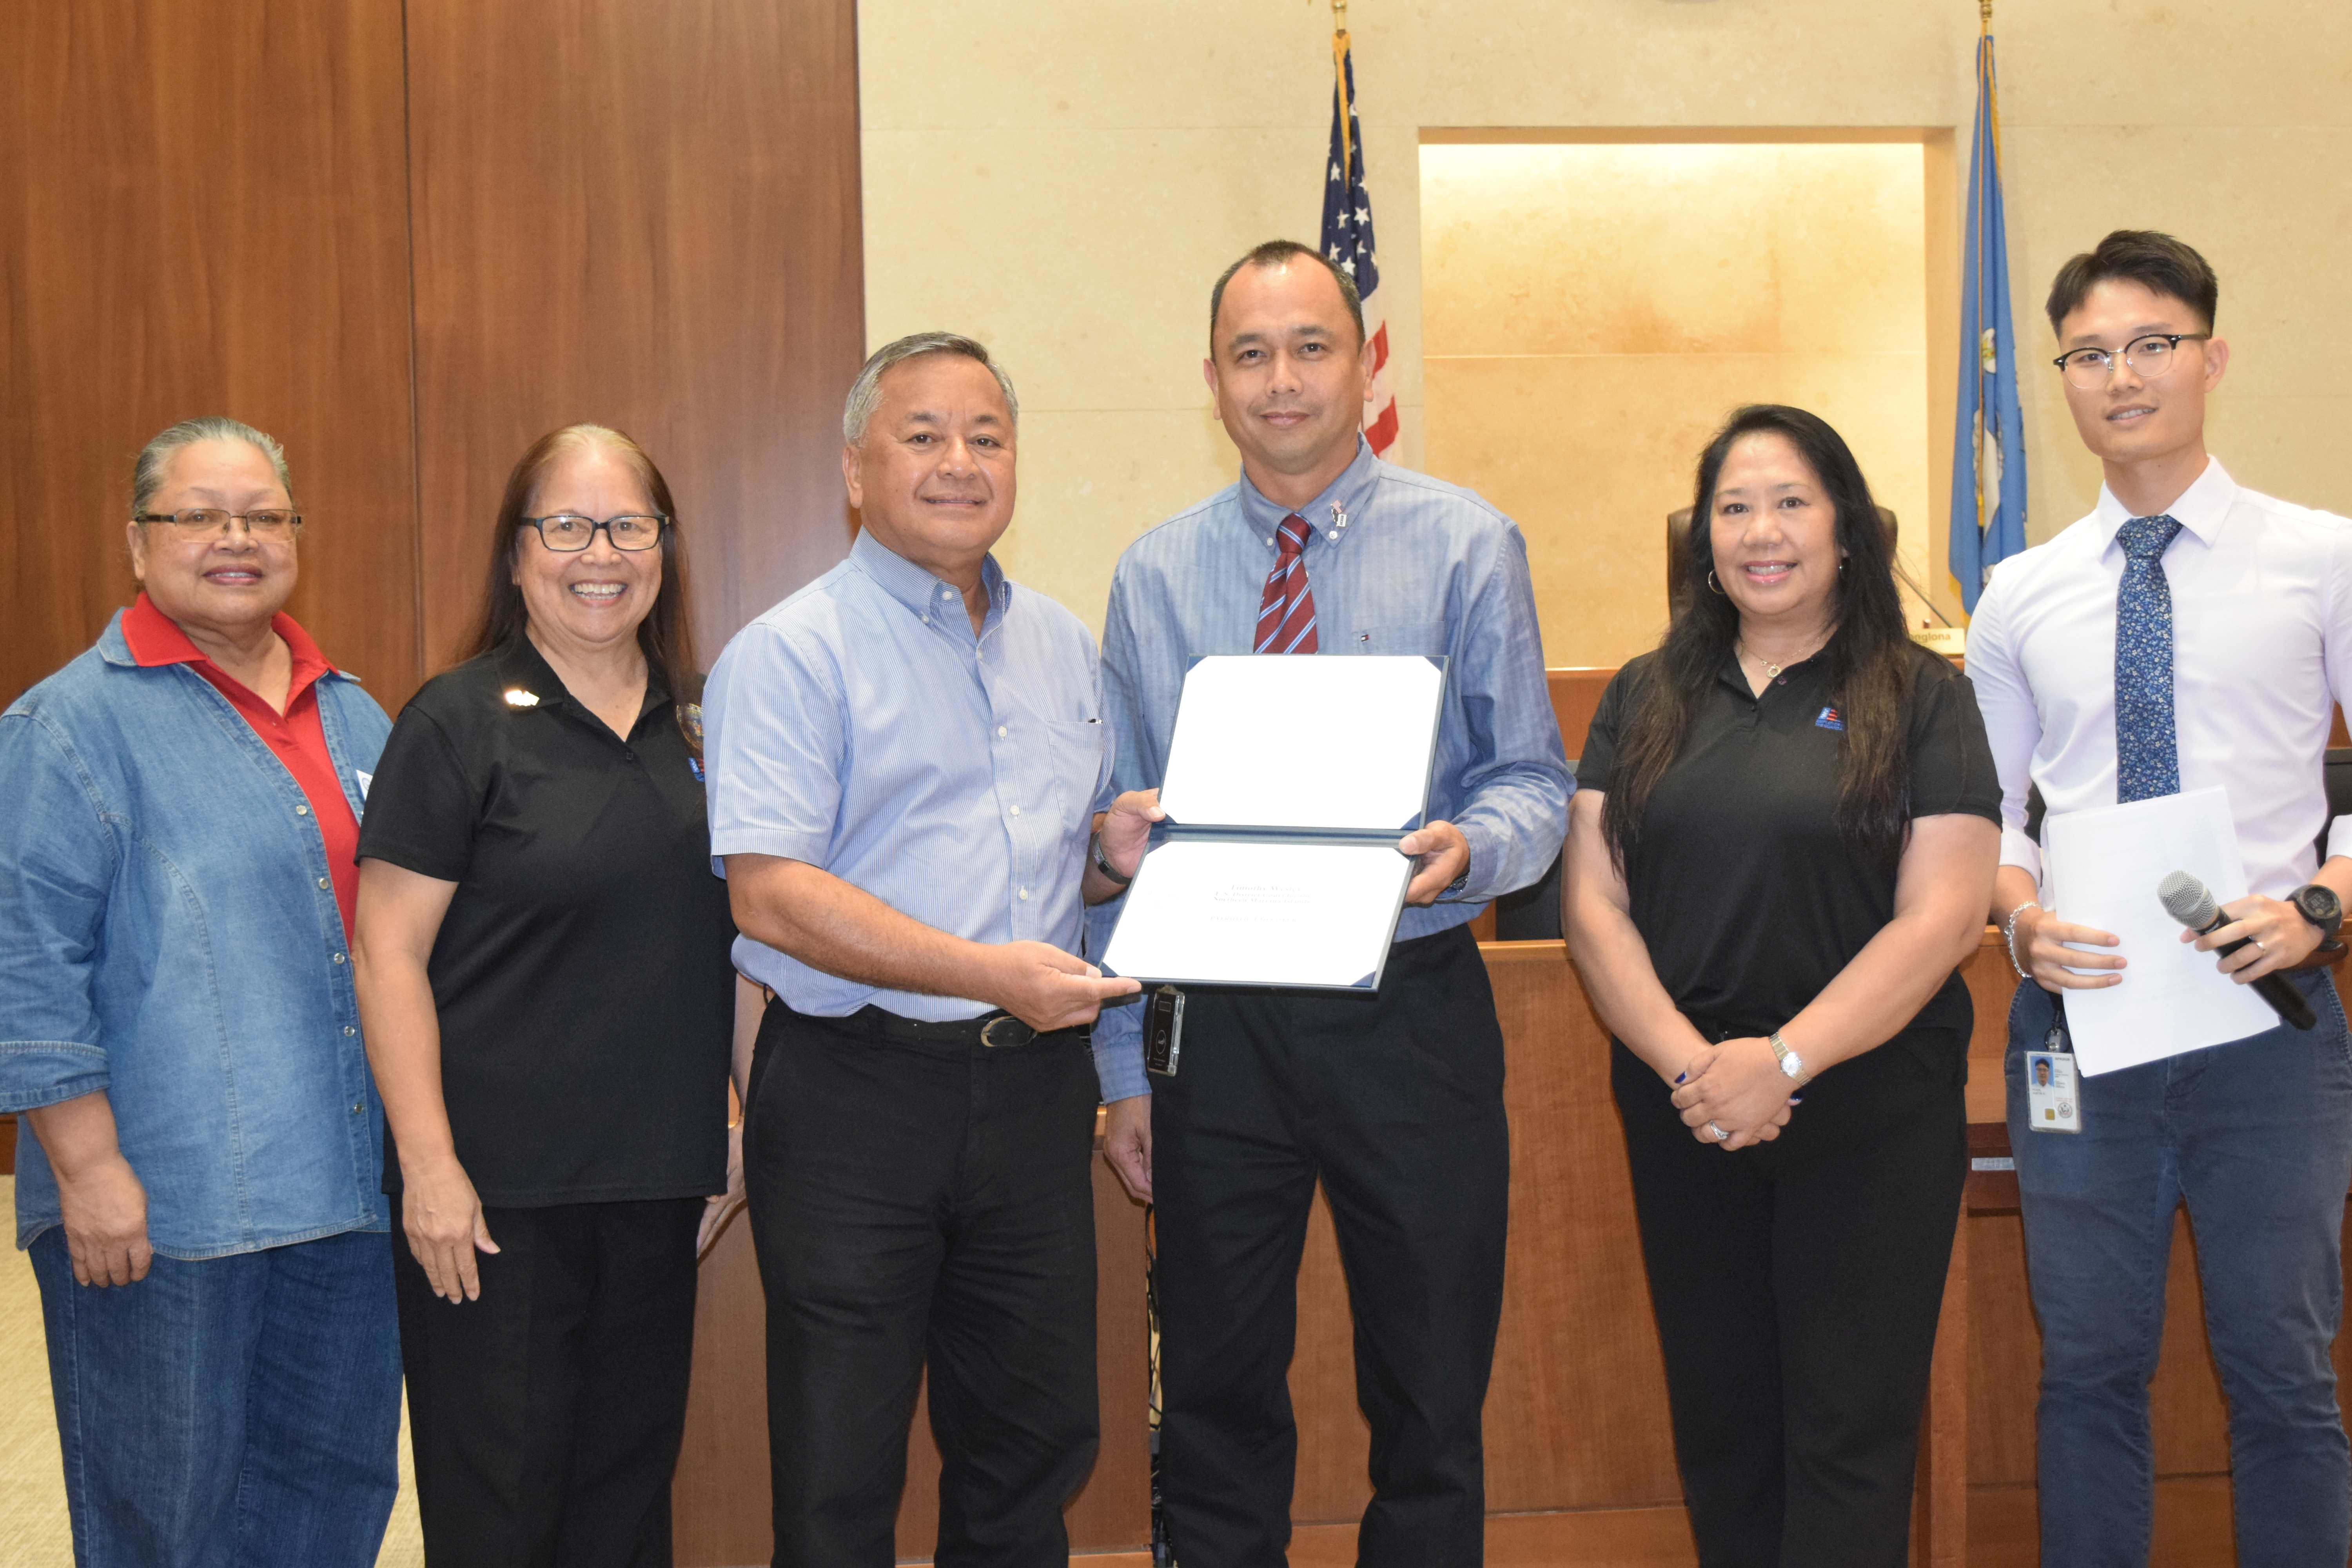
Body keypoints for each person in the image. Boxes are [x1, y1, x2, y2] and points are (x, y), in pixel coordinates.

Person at [1084, 240, 1570, 1566]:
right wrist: (1123, 1067)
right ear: (1211, 380)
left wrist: (1472, 846)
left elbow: (1533, 774)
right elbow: (1119, 835)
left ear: (1368, 364)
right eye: (1252, 354)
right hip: (1215, 1030)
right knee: (1221, 1387)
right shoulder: (1153, 574)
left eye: (1312, 347)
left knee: (1428, 1385)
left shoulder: (1469, 543)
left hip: (1407, 1010)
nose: (1283, 380)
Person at [705, 332, 1140, 1566]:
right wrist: (984, 970)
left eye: (987, 438)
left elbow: (1067, 872)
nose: (961, 463)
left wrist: (1113, 855)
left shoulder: (1061, 642)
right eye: (924, 436)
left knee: (1033, 1440)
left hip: (1032, 1098)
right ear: (855, 469)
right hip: (856, 1094)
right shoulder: (791, 651)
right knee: (843, 1464)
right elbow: (772, 895)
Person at [1968, 230, 2352, 1567]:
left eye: (2151, 346)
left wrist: (2325, 902)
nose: (2120, 377)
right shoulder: (2019, 593)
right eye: (2089, 355)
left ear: (2212, 358)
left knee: (2285, 1376)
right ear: (2062, 381)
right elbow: (1991, 826)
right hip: (2084, 1028)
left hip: (2272, 1024)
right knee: (2086, 1373)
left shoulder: (2322, 556)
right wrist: (2018, 921)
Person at [1561, 403, 2000, 1564]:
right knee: (1724, 1429)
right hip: (1687, 1108)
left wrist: (1785, 1060)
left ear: (1849, 530)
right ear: (1702, 537)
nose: (1764, 531)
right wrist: (1696, 1068)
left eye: (1793, 502)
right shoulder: (1646, 692)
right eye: (1735, 507)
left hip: (1868, 1114)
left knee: (1850, 1439)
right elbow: (1594, 906)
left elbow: (1946, 913)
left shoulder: (1924, 694)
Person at [0, 417, 402, 1564]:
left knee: (332, 1493)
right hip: (166, 1208)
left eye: (265, 516)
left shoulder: (355, 713)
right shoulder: (66, 725)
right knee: (165, 1516)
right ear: (138, 543)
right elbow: (25, 961)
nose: (237, 538)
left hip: (349, 1191)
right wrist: (86, 1171)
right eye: (199, 515)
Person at [350, 425, 744, 1565]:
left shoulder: (707, 722)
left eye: (629, 526)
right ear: (517, 555)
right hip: (490, 1202)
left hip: (658, 1183)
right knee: (500, 1514)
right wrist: (429, 1170)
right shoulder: (457, 720)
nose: (599, 554)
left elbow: (740, 942)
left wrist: (734, 1129)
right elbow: (387, 956)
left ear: (664, 547)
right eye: (566, 527)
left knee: (625, 1504)